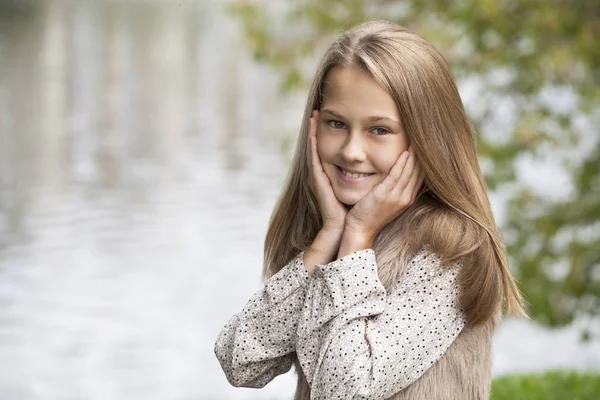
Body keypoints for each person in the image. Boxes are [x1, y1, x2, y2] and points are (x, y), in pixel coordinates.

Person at [214, 20, 527, 400]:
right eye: (336, 123)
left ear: (427, 138)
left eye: (379, 130)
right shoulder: (325, 232)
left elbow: (343, 389)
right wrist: (328, 238)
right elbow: (241, 359)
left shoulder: (452, 249)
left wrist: (356, 239)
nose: (350, 151)